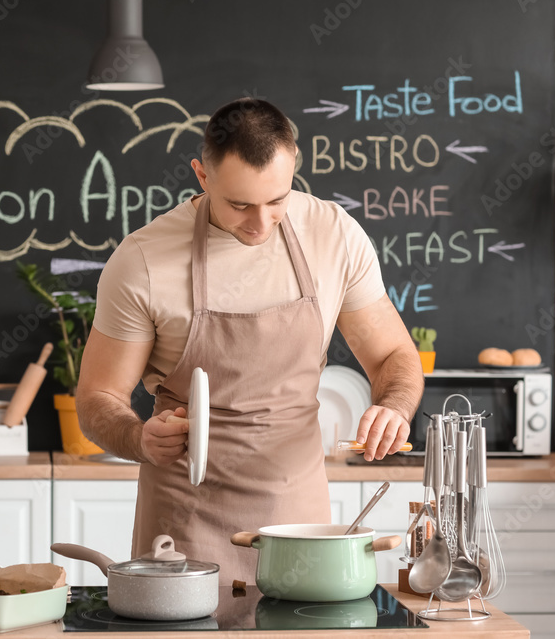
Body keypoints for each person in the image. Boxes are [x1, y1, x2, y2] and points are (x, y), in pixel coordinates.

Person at [75, 97, 424, 584]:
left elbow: (392, 355)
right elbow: (97, 398)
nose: (260, 224)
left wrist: (394, 407)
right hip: (184, 519)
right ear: (202, 176)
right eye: (239, 204)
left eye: (276, 201)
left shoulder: (335, 235)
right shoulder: (142, 261)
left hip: (298, 517)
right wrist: (138, 438)